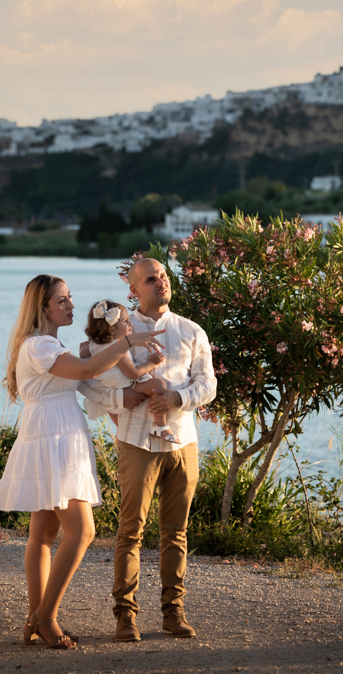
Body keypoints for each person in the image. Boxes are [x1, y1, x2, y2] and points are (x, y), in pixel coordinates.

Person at [0, 274, 165, 650]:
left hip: (57, 434)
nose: (71, 305)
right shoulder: (38, 346)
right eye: (63, 301)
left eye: (70, 298)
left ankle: (36, 619)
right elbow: (87, 371)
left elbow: (90, 368)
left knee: (44, 535)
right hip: (53, 438)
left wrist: (121, 366)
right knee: (82, 532)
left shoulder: (51, 344)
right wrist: (128, 340)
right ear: (43, 308)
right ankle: (45, 617)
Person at [81, 258, 217, 643]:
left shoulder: (191, 331)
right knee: (131, 530)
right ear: (134, 290)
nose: (162, 282)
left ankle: (174, 612)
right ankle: (125, 615)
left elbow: (208, 386)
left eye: (164, 277)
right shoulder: (116, 332)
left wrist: (176, 397)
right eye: (152, 279)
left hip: (183, 443)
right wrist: (126, 403)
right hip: (136, 442)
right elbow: (92, 384)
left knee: (176, 531)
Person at [84, 299, 178, 443]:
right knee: (158, 385)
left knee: (119, 426)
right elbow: (133, 373)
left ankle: (120, 436)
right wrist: (151, 362)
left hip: (109, 393)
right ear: (112, 329)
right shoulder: (117, 347)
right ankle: (161, 426)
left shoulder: (93, 345)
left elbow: (83, 356)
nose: (131, 324)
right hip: (126, 386)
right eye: (126, 321)